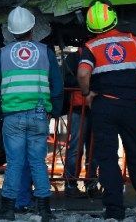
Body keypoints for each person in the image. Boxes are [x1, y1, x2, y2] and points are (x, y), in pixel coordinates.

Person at [76, 0, 136, 220]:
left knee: (107, 158)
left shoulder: (90, 48)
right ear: (113, 18)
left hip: (104, 105)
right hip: (131, 105)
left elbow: (83, 74)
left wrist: (87, 94)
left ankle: (114, 210)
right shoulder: (133, 42)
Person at [0, 6, 63, 221]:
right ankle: (45, 210)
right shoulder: (45, 52)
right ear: (32, 28)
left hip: (12, 116)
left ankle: (8, 210)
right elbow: (56, 85)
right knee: (38, 162)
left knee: (15, 164)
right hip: (39, 115)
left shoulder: (2, 55)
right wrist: (54, 111)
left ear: (11, 32)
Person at [61, 50, 98, 198]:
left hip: (93, 106)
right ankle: (71, 183)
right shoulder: (74, 57)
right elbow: (67, 79)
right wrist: (89, 84)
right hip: (78, 107)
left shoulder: (95, 54)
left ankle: (90, 182)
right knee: (76, 147)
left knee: (93, 148)